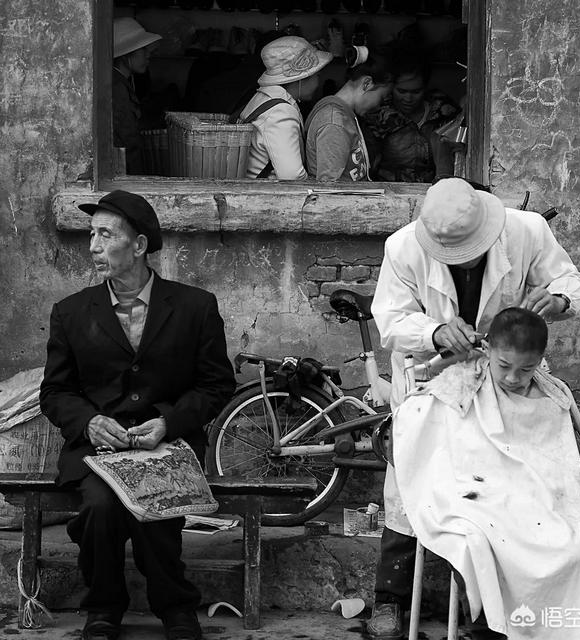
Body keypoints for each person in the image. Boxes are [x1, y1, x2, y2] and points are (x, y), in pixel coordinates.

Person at [367, 177, 580, 640]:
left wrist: (558, 299)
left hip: (504, 381)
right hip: (435, 377)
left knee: (503, 492)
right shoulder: (403, 247)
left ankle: (495, 611)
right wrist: (433, 331)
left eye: (468, 252)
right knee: (412, 480)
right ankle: (390, 597)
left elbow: (573, 282)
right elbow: (390, 319)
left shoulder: (526, 231)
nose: (459, 260)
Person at [39, 190, 236, 640]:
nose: (93, 246)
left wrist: (168, 422)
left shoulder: (194, 307)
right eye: (91, 235)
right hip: (99, 451)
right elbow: (55, 391)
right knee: (100, 508)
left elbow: (216, 385)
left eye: (106, 235)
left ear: (140, 245)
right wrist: (89, 422)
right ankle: (103, 607)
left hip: (168, 444)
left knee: (156, 506)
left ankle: (175, 607)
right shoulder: (71, 312)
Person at [392, 307, 580, 639]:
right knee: (477, 542)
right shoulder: (460, 386)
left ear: (540, 361)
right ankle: (489, 629)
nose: (512, 378)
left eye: (526, 369)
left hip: (534, 497)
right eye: (504, 366)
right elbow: (421, 429)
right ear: (488, 349)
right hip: (475, 493)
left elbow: (556, 462)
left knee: (569, 548)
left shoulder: (550, 396)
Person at [239, 35, 332, 180]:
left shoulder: (263, 97)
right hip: (267, 192)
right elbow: (292, 175)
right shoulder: (281, 112)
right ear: (301, 79)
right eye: (317, 76)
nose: (318, 83)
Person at [364, 53, 462, 183]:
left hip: (436, 189)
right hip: (391, 190)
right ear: (391, 88)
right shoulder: (379, 116)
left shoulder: (444, 112)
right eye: (401, 91)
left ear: (425, 88)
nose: (408, 98)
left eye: (416, 92)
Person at [304, 46, 393, 182]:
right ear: (367, 83)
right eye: (381, 98)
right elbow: (329, 187)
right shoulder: (334, 123)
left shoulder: (343, 115)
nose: (378, 106)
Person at [112, 18, 162, 175]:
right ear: (126, 54)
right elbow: (128, 139)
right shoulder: (117, 87)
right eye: (143, 50)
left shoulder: (121, 81)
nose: (148, 56)